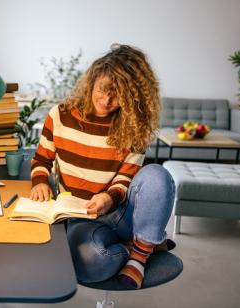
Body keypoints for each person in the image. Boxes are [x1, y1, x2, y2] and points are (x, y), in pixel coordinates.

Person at [29, 44, 175, 289]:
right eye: (103, 90)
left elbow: (126, 179)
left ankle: (139, 257)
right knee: (90, 261)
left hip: (121, 213)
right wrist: (41, 181)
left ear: (132, 97)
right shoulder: (61, 115)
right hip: (81, 217)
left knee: (158, 175)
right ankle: (145, 244)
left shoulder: (133, 128)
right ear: (92, 81)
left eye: (118, 95)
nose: (107, 100)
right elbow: (41, 159)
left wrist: (109, 197)